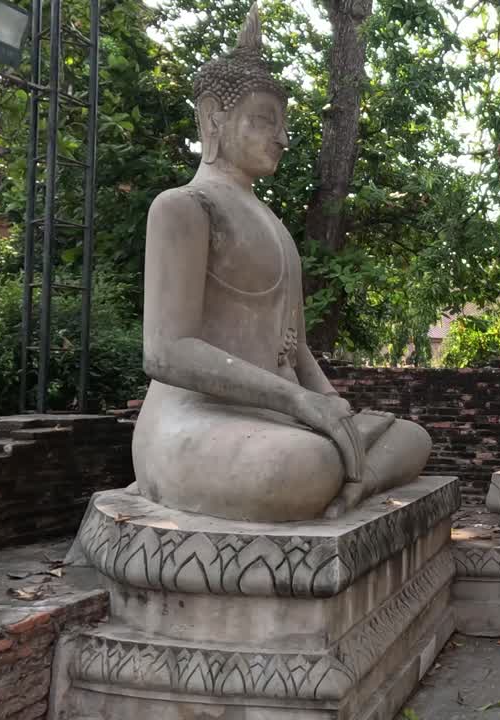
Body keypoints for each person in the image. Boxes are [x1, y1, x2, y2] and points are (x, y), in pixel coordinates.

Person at [132, 3, 430, 522]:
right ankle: (342, 473)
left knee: (412, 438)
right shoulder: (183, 207)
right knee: (306, 464)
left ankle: (356, 483)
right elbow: (166, 352)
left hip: (273, 420)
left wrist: (332, 406)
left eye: (284, 123)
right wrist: (299, 405)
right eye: (265, 120)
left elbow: (294, 352)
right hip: (196, 420)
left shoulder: (272, 223)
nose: (283, 138)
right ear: (212, 118)